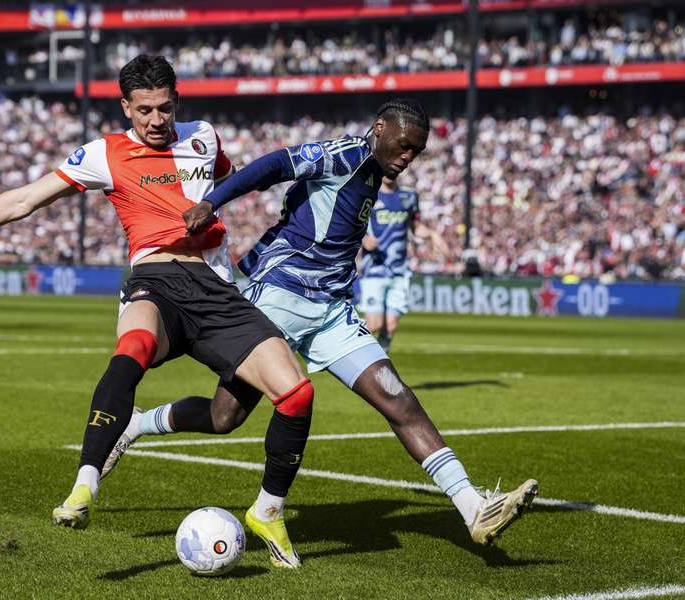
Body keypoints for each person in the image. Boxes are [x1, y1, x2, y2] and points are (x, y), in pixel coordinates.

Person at [0, 55, 313, 569]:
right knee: (133, 348)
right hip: (156, 281)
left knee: (294, 395)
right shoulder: (103, 153)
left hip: (216, 291)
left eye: (164, 108)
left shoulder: (204, 137)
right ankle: (84, 486)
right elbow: (25, 199)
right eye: (144, 111)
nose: (156, 120)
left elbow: (230, 180)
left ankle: (269, 511)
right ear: (126, 108)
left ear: (176, 103)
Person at [104, 99, 538, 546]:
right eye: (405, 145)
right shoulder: (344, 155)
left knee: (400, 401)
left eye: (417, 151)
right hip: (279, 295)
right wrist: (213, 201)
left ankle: (473, 509)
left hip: (332, 310)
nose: (408, 157)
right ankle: (138, 424)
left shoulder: (375, 173)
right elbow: (275, 164)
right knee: (224, 416)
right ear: (380, 128)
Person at [358, 178, 449, 351]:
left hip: (400, 270)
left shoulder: (409, 196)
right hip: (375, 269)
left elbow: (415, 226)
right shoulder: (369, 194)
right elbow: (353, 223)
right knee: (374, 324)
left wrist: (432, 234)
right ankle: (345, 342)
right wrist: (363, 239)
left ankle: (378, 367)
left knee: (390, 327)